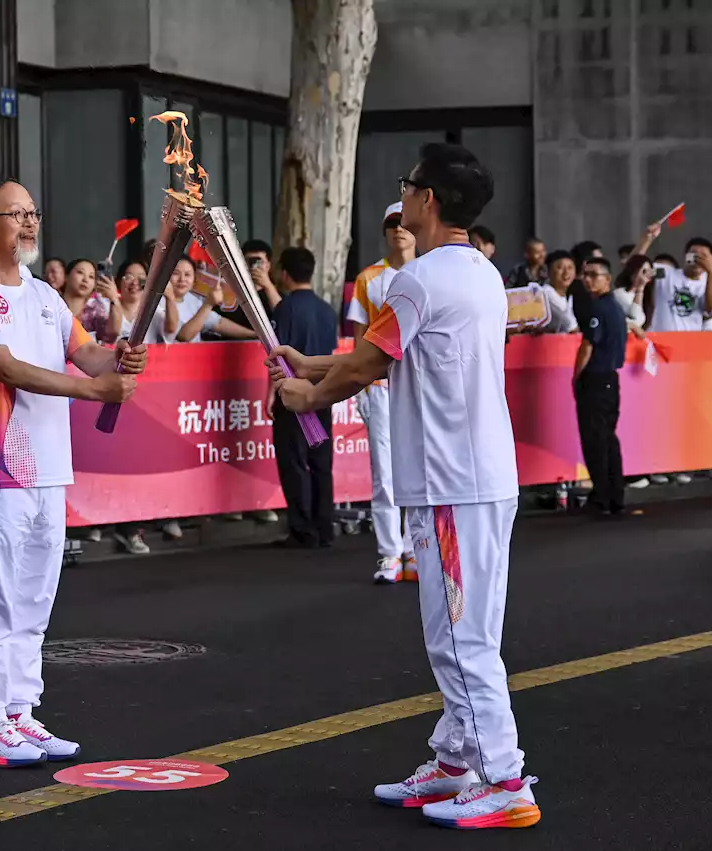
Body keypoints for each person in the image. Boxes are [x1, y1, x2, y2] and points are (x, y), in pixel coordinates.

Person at [271, 143, 539, 829]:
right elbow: (380, 355)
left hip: (453, 480)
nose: (403, 196)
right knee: (463, 629)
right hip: (475, 477)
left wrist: (307, 397)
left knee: (461, 638)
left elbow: (366, 365)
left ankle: (504, 777)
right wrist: (313, 363)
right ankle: (455, 763)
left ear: (430, 201)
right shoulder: (474, 272)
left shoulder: (417, 280)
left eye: (408, 186)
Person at [0, 177, 144, 766]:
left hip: (49, 468)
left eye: (34, 212)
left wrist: (120, 356)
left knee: (35, 598)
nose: (30, 223)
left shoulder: (45, 297)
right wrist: (96, 389)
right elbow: (10, 370)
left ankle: (20, 713)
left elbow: (88, 355)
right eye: (17, 214)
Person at [347, 202, 417, 582]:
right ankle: (390, 553)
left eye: (403, 224)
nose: (398, 230)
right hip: (380, 386)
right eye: (391, 224)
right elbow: (360, 339)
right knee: (384, 474)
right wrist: (359, 383)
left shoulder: (429, 272)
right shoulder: (368, 278)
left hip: (420, 386)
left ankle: (415, 549)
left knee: (418, 468)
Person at [271, 247, 338, 550]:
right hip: (324, 392)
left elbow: (276, 356)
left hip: (293, 395)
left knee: (294, 461)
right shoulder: (326, 309)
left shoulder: (285, 309)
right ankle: (324, 527)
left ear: (284, 274)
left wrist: (271, 394)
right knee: (321, 463)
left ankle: (302, 529)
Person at [572, 257, 629, 515]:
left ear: (607, 279)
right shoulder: (615, 307)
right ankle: (614, 495)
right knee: (607, 438)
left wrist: (576, 376)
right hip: (610, 380)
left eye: (594, 275)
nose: (587, 279)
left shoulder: (598, 308)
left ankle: (602, 497)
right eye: (585, 274)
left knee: (596, 440)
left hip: (596, 378)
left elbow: (588, 345)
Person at [541, 250, 579, 333]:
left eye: (570, 268)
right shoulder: (544, 294)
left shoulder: (570, 295)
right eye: (560, 267)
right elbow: (569, 326)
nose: (566, 272)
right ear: (548, 271)